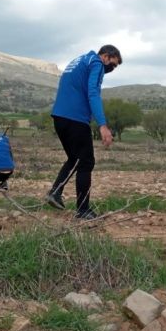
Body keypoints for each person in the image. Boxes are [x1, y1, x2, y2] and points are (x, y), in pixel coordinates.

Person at [45, 45, 122, 219]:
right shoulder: (96, 63)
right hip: (76, 119)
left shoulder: (78, 61)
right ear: (106, 56)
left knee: (75, 159)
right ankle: (83, 209)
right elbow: (93, 93)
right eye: (113, 64)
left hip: (59, 117)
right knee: (86, 162)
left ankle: (55, 192)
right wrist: (102, 124)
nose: (111, 69)